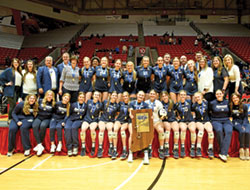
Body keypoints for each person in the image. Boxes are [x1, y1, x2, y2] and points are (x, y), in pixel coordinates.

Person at [209, 89, 233, 162]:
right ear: (215, 95)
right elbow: (209, 112)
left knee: (229, 131)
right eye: (217, 94)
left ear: (223, 94)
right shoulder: (212, 103)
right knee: (219, 131)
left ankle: (223, 153)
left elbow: (230, 112)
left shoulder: (227, 102)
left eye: (220, 94)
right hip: (216, 120)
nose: (219, 95)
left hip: (226, 120)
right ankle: (224, 153)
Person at [129, 91, 150, 164]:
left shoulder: (145, 104)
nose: (140, 96)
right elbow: (130, 112)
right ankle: (130, 153)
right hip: (132, 121)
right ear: (137, 95)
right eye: (139, 95)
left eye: (142, 95)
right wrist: (131, 115)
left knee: (144, 134)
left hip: (141, 122)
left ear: (144, 97)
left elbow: (147, 114)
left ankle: (146, 155)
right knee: (132, 134)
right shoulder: (132, 103)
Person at [32, 90, 55, 156]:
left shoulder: (53, 104)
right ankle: (40, 145)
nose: (49, 96)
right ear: (46, 95)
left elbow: (54, 113)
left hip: (47, 118)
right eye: (48, 94)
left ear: (53, 96)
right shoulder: (40, 101)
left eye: (51, 95)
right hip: (39, 117)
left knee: (43, 126)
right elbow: (35, 108)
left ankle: (39, 145)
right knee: (35, 126)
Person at [98, 91, 119, 158]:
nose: (114, 97)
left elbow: (117, 114)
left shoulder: (117, 105)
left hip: (110, 121)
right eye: (113, 95)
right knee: (101, 129)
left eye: (115, 96)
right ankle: (100, 148)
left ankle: (111, 147)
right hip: (103, 119)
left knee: (110, 129)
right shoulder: (105, 102)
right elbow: (100, 110)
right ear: (110, 96)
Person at [192, 92, 214, 158]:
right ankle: (198, 148)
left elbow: (210, 112)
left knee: (210, 131)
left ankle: (210, 148)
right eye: (195, 97)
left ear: (201, 96)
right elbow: (193, 115)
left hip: (206, 120)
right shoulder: (193, 106)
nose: (197, 98)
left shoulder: (207, 103)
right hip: (198, 121)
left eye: (198, 97)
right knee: (201, 130)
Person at [80, 91, 102, 156]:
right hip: (87, 119)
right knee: (83, 129)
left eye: (98, 95)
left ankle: (93, 146)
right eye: (95, 95)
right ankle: (83, 147)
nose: (96, 96)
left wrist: (99, 121)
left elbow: (101, 113)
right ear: (92, 95)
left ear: (99, 97)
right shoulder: (89, 101)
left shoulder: (100, 104)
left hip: (94, 120)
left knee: (92, 129)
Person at [175, 90, 196, 158]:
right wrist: (177, 117)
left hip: (190, 120)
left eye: (184, 95)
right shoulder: (177, 104)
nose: (182, 96)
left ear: (186, 96)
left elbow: (195, 108)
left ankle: (192, 148)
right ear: (179, 96)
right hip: (182, 121)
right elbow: (174, 113)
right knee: (183, 129)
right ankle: (182, 147)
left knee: (193, 130)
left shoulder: (189, 102)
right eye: (181, 95)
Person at [65, 92, 87, 156]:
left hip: (79, 120)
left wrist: (83, 121)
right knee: (67, 128)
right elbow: (69, 113)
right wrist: (65, 121)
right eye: (80, 97)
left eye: (83, 97)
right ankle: (69, 148)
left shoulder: (85, 106)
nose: (81, 98)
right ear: (78, 98)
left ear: (84, 98)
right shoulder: (73, 104)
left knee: (74, 128)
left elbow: (85, 115)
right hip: (71, 119)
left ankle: (75, 147)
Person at [145, 90, 165, 159]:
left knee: (161, 130)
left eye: (153, 94)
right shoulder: (146, 103)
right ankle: (149, 148)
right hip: (148, 122)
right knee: (150, 131)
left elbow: (162, 114)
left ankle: (161, 148)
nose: (152, 95)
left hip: (157, 121)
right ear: (149, 94)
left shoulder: (159, 103)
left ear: (156, 95)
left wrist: (161, 119)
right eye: (151, 94)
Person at [230, 93, 250, 160]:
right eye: (233, 98)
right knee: (242, 131)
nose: (235, 99)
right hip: (236, 122)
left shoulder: (244, 106)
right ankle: (241, 149)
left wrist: (244, 125)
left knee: (247, 131)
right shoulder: (231, 106)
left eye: (236, 97)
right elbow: (231, 117)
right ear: (232, 99)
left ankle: (246, 149)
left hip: (244, 122)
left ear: (239, 98)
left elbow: (246, 117)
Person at [113, 91, 131, 160]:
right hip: (119, 120)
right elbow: (117, 112)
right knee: (115, 130)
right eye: (123, 96)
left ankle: (124, 150)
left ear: (128, 96)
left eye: (126, 96)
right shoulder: (120, 103)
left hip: (126, 121)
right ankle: (114, 149)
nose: (125, 97)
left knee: (122, 130)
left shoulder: (131, 104)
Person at [161, 91, 179, 158]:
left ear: (168, 96)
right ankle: (166, 147)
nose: (164, 97)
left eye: (165, 95)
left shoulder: (172, 102)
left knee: (176, 130)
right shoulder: (161, 104)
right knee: (168, 128)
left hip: (173, 120)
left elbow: (178, 109)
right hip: (165, 120)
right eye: (163, 96)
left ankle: (176, 148)